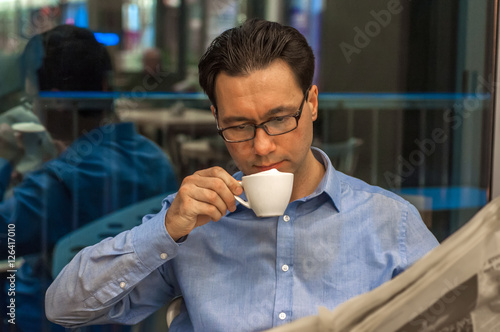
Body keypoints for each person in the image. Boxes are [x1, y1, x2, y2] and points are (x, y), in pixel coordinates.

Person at [45, 19, 439, 331]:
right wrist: (164, 231)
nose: (262, 146)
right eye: (238, 126)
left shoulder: (391, 223)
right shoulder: (193, 225)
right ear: (216, 118)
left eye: (280, 119)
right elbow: (63, 308)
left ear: (312, 103)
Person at [0, 25, 178, 332]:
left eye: (31, 99)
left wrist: (4, 156)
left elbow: (6, 239)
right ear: (107, 85)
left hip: (38, 318)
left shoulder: (55, 185)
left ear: (53, 101)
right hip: (132, 320)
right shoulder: (155, 159)